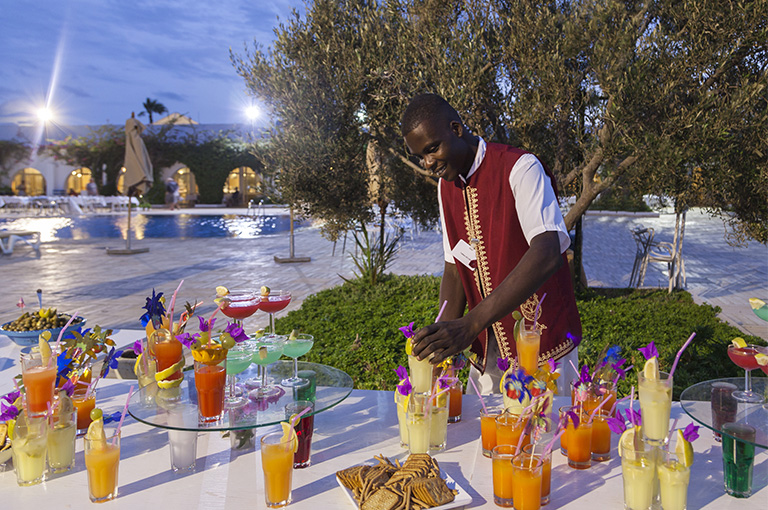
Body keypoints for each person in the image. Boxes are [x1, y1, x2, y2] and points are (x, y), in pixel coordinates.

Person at [401, 93, 582, 395]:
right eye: (420, 156)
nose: (428, 163)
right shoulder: (446, 188)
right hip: (486, 354)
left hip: (540, 349)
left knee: (541, 426)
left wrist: (471, 324)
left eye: (432, 149)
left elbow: (547, 250)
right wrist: (440, 347)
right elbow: (454, 269)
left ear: (456, 129)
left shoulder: (520, 168)